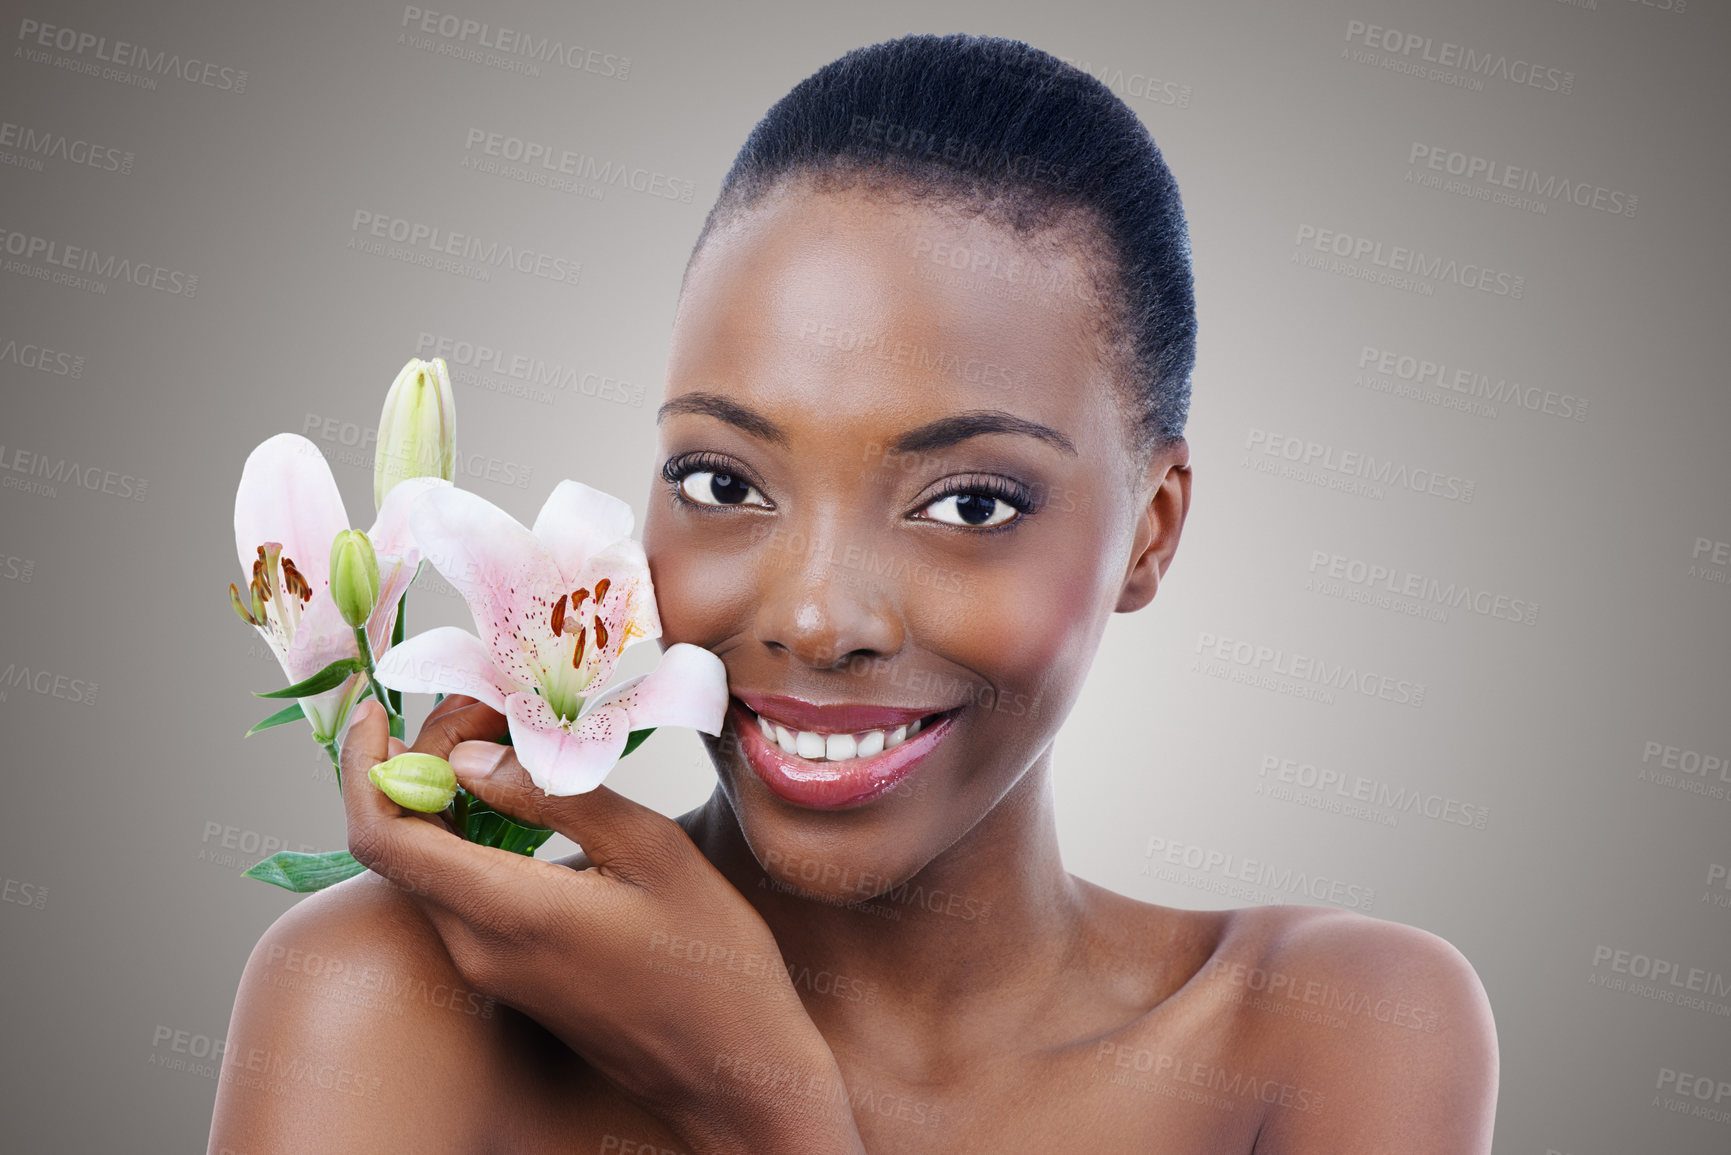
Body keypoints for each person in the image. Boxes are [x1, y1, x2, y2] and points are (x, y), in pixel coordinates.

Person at [210, 33, 1496, 1154]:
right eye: (722, 480)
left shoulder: (1332, 1030)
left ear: (1151, 535)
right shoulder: (380, 1001)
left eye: (970, 504)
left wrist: (757, 1103)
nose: (819, 619)